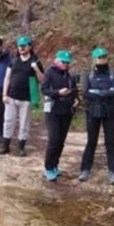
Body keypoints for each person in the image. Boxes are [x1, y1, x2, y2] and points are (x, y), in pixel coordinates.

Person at [78, 48, 114, 184]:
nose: (102, 59)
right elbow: (85, 92)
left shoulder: (113, 74)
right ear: (94, 59)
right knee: (91, 141)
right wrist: (105, 92)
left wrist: (97, 92)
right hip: (92, 111)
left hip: (109, 111)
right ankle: (85, 169)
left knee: (110, 142)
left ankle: (113, 172)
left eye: (104, 57)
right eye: (99, 57)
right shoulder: (87, 75)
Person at [1, 36, 43, 156]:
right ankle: (5, 146)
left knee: (24, 123)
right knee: (8, 121)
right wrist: (4, 94)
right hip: (11, 96)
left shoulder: (35, 61)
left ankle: (21, 147)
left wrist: (36, 69)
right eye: (20, 46)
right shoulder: (14, 60)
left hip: (27, 98)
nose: (22, 48)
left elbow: (42, 80)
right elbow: (7, 78)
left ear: (30, 47)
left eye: (24, 46)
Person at [43, 50, 79, 182]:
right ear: (56, 61)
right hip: (52, 110)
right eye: (63, 62)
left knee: (61, 141)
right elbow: (44, 90)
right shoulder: (50, 73)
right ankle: (48, 167)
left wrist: (76, 99)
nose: (66, 64)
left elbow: (74, 90)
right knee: (54, 140)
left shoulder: (69, 76)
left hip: (66, 111)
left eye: (67, 62)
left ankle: (54, 166)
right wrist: (58, 93)